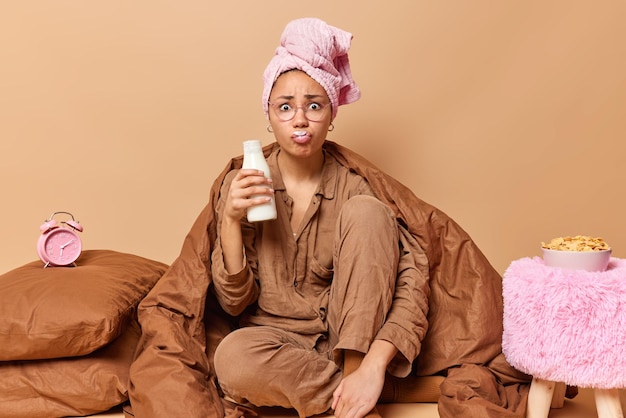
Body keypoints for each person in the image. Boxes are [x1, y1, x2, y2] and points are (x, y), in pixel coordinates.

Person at [210, 17, 428, 418]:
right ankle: (351, 403)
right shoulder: (244, 183)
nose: (299, 120)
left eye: (314, 105)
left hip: (347, 345)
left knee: (367, 213)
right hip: (273, 345)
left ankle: (356, 379)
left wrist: (373, 366)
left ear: (332, 114)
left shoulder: (356, 187)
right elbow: (233, 302)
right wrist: (229, 220)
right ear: (268, 115)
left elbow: (410, 284)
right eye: (285, 107)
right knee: (232, 358)